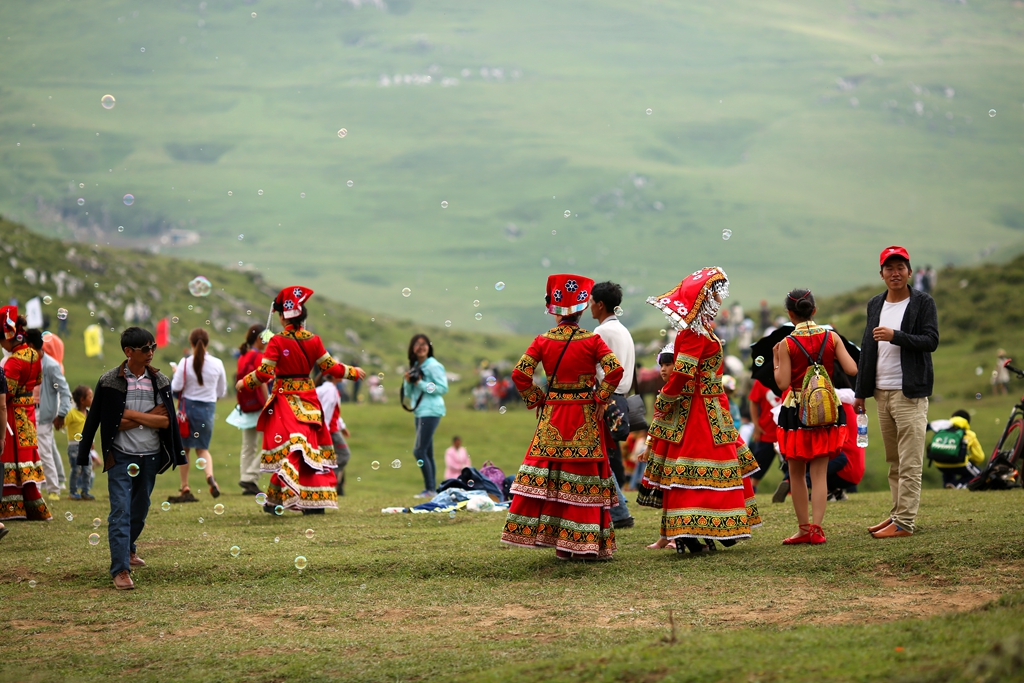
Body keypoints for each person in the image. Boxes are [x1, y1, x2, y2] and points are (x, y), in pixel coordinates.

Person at [637, 267, 760, 554]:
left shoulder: (701, 331)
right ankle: (689, 532)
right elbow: (682, 375)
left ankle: (704, 528)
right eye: (713, 295)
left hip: (711, 408)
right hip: (696, 412)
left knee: (702, 467)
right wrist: (665, 399)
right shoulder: (692, 335)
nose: (718, 300)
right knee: (692, 468)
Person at [502, 274, 623, 560]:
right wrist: (600, 397)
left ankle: (559, 544)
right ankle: (584, 544)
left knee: (553, 479)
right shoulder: (592, 340)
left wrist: (537, 398)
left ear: (553, 309)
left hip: (553, 415)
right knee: (583, 479)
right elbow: (615, 370)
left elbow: (520, 374)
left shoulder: (542, 341)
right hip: (585, 416)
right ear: (581, 310)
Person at [236, 286, 364, 514]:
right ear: (303, 315)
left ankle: (284, 498)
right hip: (309, 401)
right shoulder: (314, 340)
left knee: (291, 450)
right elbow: (330, 367)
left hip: (284, 400)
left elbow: (265, 373)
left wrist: (244, 382)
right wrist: (352, 372)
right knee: (307, 450)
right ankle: (301, 501)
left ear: (283, 316)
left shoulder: (276, 342)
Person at [77, 327, 187, 590]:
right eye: (145, 349)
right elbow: (102, 421)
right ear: (128, 352)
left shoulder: (160, 381)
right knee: (121, 511)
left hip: (150, 457)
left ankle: (128, 549)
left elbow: (165, 420)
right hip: (120, 457)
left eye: (153, 348)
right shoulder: (109, 381)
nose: (150, 353)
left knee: (140, 510)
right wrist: (145, 417)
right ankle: (120, 569)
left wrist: (131, 416)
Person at [854, 246, 939, 539]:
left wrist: (896, 336)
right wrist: (860, 392)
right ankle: (896, 516)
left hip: (910, 393)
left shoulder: (922, 302)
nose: (895, 273)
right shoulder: (875, 304)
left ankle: (904, 522)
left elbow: (931, 340)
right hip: (882, 393)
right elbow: (867, 348)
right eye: (889, 268)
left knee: (910, 460)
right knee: (894, 460)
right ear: (881, 274)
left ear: (910, 271)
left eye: (900, 267)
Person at [773, 289, 859, 545]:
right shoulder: (831, 337)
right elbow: (852, 368)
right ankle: (817, 529)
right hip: (827, 409)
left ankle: (803, 529)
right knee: (819, 474)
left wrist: (777, 359)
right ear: (814, 310)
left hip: (797, 411)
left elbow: (782, 383)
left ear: (790, 314)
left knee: (796, 473)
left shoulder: (787, 344)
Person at [590, 280, 636, 530]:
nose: (589, 307)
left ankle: (620, 512)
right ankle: (617, 507)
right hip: (622, 398)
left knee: (602, 457)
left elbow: (601, 368)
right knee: (606, 456)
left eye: (591, 303)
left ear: (600, 304)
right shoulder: (623, 331)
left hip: (607, 399)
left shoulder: (601, 333)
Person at [0, 308, 52, 522]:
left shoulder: (14, 361)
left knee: (10, 456)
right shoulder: (32, 354)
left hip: (12, 414)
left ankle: (12, 508)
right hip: (28, 410)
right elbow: (37, 381)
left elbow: (6, 394)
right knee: (26, 456)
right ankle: (32, 505)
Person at [171, 328, 227, 500]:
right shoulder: (218, 363)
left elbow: (175, 388)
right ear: (207, 343)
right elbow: (222, 391)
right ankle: (210, 477)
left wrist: (175, 374)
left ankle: (185, 486)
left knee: (185, 449)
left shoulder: (185, 363)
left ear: (191, 343)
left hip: (188, 410)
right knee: (202, 450)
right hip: (208, 409)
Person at [402, 334, 449, 499]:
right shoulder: (414, 366)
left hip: (431, 410)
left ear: (429, 347)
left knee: (419, 451)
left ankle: (429, 489)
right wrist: (408, 381)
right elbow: (408, 394)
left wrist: (419, 383)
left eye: (424, 344)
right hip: (420, 411)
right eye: (417, 344)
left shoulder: (434, 366)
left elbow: (443, 388)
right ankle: (431, 489)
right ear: (412, 348)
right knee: (427, 452)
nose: (421, 347)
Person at [31, 333, 72, 501]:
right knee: (32, 451)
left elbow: (64, 391)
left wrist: (62, 414)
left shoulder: (51, 365)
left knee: (44, 451)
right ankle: (36, 487)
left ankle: (53, 488)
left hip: (43, 412)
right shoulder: (28, 361)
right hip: (27, 410)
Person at [234, 324, 268, 496]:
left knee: (248, 445)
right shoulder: (258, 356)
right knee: (271, 443)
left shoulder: (243, 355)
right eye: (265, 337)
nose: (267, 340)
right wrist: (268, 400)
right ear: (258, 338)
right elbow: (260, 380)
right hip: (259, 404)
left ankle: (246, 478)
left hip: (246, 405)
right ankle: (250, 476)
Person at [927, 409, 985, 489]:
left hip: (939, 463)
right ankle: (957, 485)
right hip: (959, 464)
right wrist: (969, 459)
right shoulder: (969, 434)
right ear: (967, 422)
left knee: (947, 467)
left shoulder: (942, 430)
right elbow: (979, 457)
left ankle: (947, 485)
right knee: (979, 475)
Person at [315, 371, 351, 496]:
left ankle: (327, 481)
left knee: (331, 457)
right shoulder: (330, 391)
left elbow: (334, 412)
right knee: (344, 454)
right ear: (334, 376)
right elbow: (325, 413)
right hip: (330, 430)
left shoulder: (327, 389)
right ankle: (326, 481)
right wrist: (324, 432)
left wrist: (343, 427)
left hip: (332, 428)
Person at [747, 377, 781, 494]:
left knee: (792, 464)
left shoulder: (790, 376)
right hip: (766, 431)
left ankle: (791, 486)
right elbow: (753, 402)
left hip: (786, 432)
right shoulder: (761, 380)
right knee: (760, 461)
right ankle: (751, 489)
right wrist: (756, 425)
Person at [66, 385, 98, 500]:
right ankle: (73, 492)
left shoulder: (89, 413)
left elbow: (90, 429)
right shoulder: (72, 413)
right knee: (76, 469)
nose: (92, 399)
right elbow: (63, 422)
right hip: (74, 447)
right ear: (82, 400)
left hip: (86, 447)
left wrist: (92, 441)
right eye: (90, 397)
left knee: (88, 469)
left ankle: (85, 491)